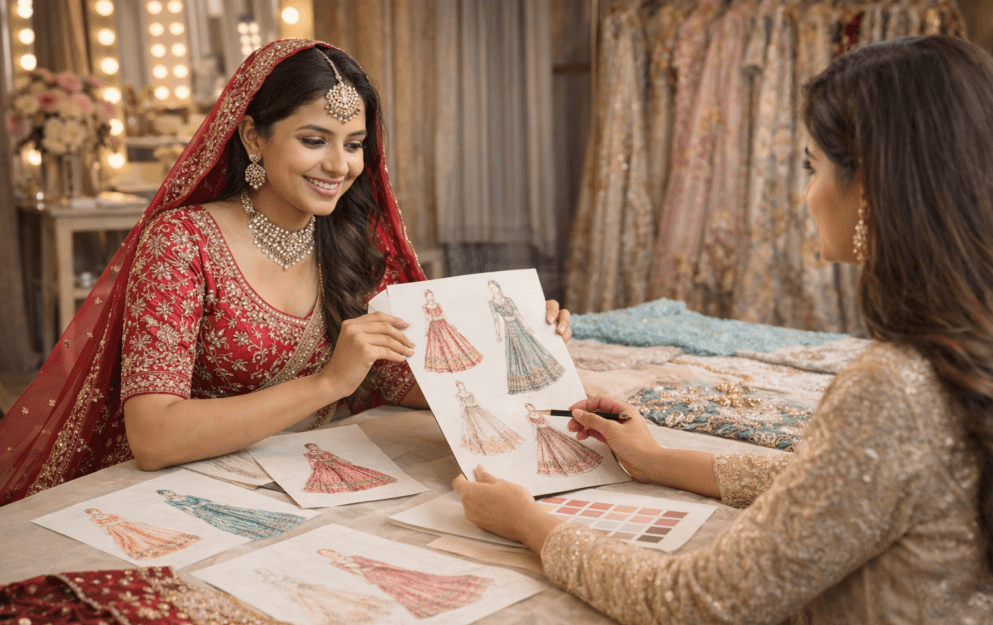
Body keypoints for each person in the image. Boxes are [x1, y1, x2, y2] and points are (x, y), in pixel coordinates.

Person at [455, 36, 993, 625]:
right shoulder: (991, 346)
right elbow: (839, 489)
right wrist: (661, 461)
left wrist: (531, 524)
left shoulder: (895, 387)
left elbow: (697, 608)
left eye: (812, 168)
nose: (805, 197)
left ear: (868, 185)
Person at [0, 39, 571, 505]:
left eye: (354, 145)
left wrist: (517, 339)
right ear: (253, 137)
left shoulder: (346, 236)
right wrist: (326, 384)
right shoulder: (181, 244)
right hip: (190, 491)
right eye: (313, 140)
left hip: (315, 481)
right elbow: (153, 436)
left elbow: (399, 378)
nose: (339, 165)